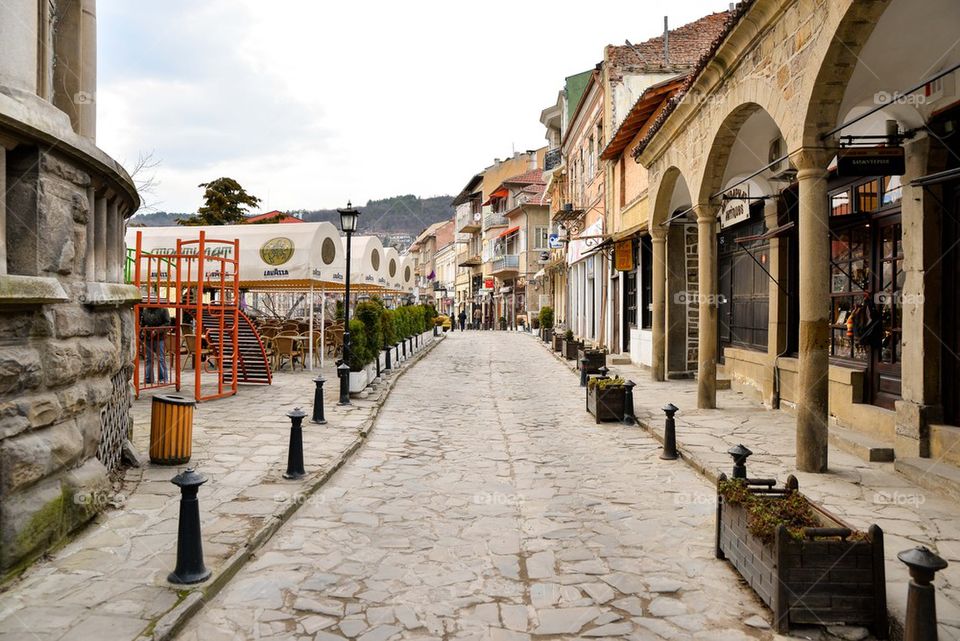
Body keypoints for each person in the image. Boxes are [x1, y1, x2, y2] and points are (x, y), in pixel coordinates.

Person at [141, 305, 172, 383]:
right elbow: (143, 322)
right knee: (149, 358)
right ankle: (148, 378)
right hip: (148, 336)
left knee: (160, 358)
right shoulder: (145, 309)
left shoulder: (163, 309)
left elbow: (167, 323)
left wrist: (156, 331)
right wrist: (143, 330)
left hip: (159, 337)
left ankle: (163, 378)